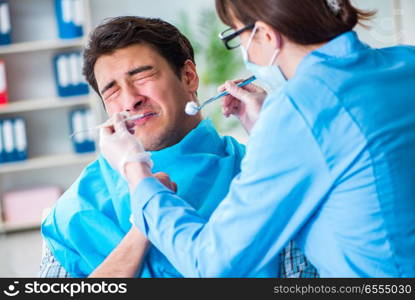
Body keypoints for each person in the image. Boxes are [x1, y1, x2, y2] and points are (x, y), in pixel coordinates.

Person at [99, 0, 415, 277]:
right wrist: (273, 128)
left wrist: (136, 172)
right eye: (111, 89)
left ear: (264, 34)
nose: (130, 101)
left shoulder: (298, 109)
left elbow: (213, 264)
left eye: (237, 35)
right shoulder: (406, 62)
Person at [40, 16, 318, 278]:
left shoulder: (267, 178)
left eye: (141, 76)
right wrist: (143, 225)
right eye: (111, 91)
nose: (129, 101)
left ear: (188, 77)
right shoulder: (72, 211)